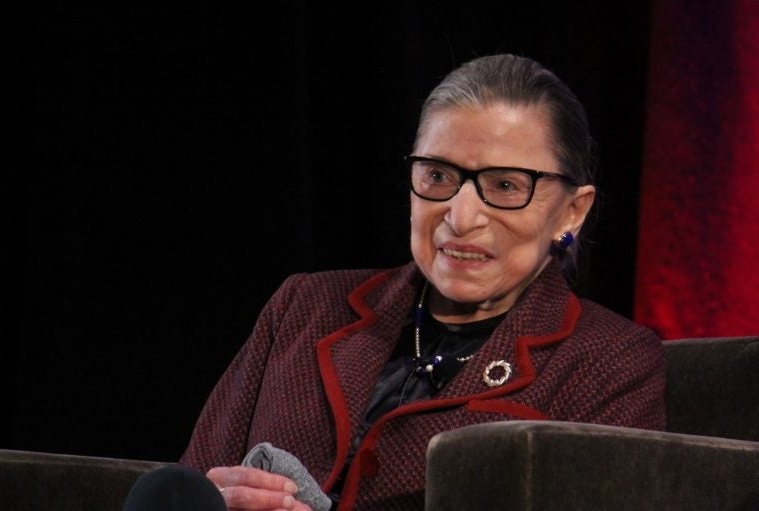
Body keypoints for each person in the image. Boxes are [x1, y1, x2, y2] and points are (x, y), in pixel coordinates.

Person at [178, 53, 666, 510]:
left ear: (572, 210)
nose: (461, 216)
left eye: (505, 185)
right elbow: (188, 480)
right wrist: (205, 498)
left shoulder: (612, 363)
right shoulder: (303, 306)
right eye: (438, 175)